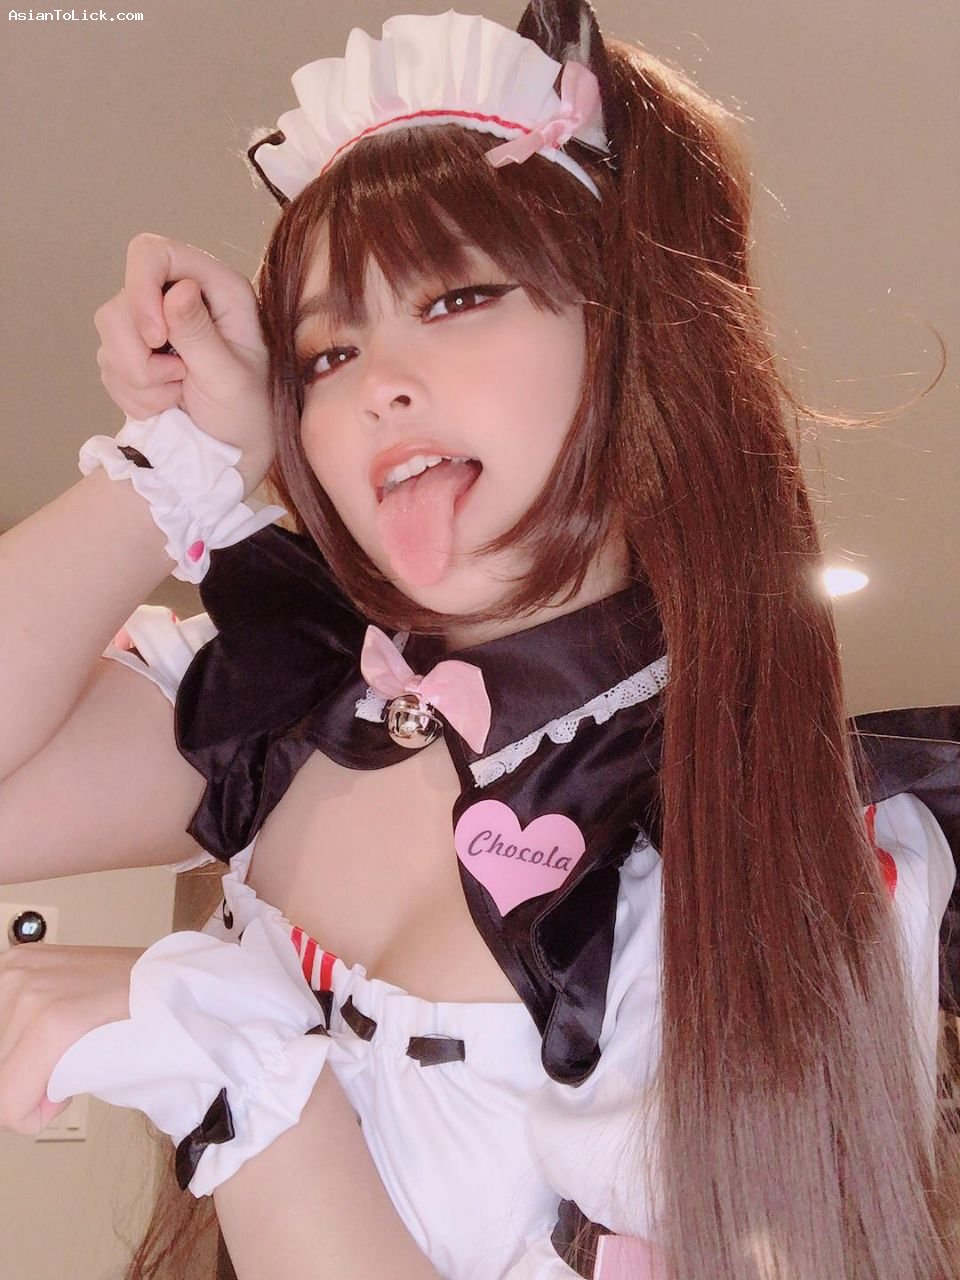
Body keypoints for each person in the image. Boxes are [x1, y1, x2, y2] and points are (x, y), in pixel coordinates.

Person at [0, 2, 958, 1277]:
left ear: (634, 336)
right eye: (324, 352)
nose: (375, 382)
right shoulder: (296, 704)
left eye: (457, 296)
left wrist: (235, 1073)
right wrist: (184, 454)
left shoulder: (754, 843)